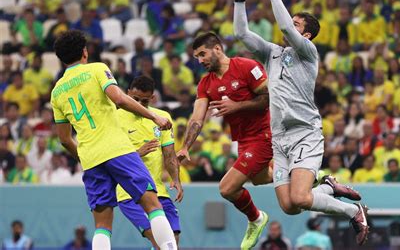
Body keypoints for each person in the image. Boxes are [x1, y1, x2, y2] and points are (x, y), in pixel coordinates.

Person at [232, 0, 368, 246]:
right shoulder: (272, 53)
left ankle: (352, 211)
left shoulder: (308, 54)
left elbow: (284, 29)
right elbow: (240, 32)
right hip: (279, 140)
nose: (289, 27)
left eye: (296, 25)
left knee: (302, 196)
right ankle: (329, 187)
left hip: (305, 132)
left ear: (305, 34)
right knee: (290, 205)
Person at [50, 30, 176, 250]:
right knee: (153, 205)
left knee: (102, 225)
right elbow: (119, 98)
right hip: (118, 149)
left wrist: (83, 157)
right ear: (84, 52)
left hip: (90, 158)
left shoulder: (56, 91)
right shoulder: (97, 69)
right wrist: (154, 115)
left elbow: (64, 139)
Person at [177, 32, 273, 248]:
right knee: (260, 178)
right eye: (196, 57)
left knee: (227, 188)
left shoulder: (247, 66)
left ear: (217, 49)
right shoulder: (205, 84)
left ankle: (256, 219)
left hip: (263, 134)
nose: (200, 60)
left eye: (203, 54)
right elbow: (196, 119)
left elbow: (268, 98)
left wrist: (237, 106)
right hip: (243, 140)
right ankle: (306, 176)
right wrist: (185, 147)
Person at [116, 75, 183, 248]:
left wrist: (176, 179)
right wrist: (138, 153)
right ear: (127, 93)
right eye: (135, 99)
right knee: (159, 240)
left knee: (173, 239)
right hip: (129, 193)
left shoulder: (162, 118)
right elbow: (111, 159)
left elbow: (169, 154)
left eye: (144, 101)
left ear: (152, 98)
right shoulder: (114, 119)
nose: (138, 103)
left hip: (157, 190)